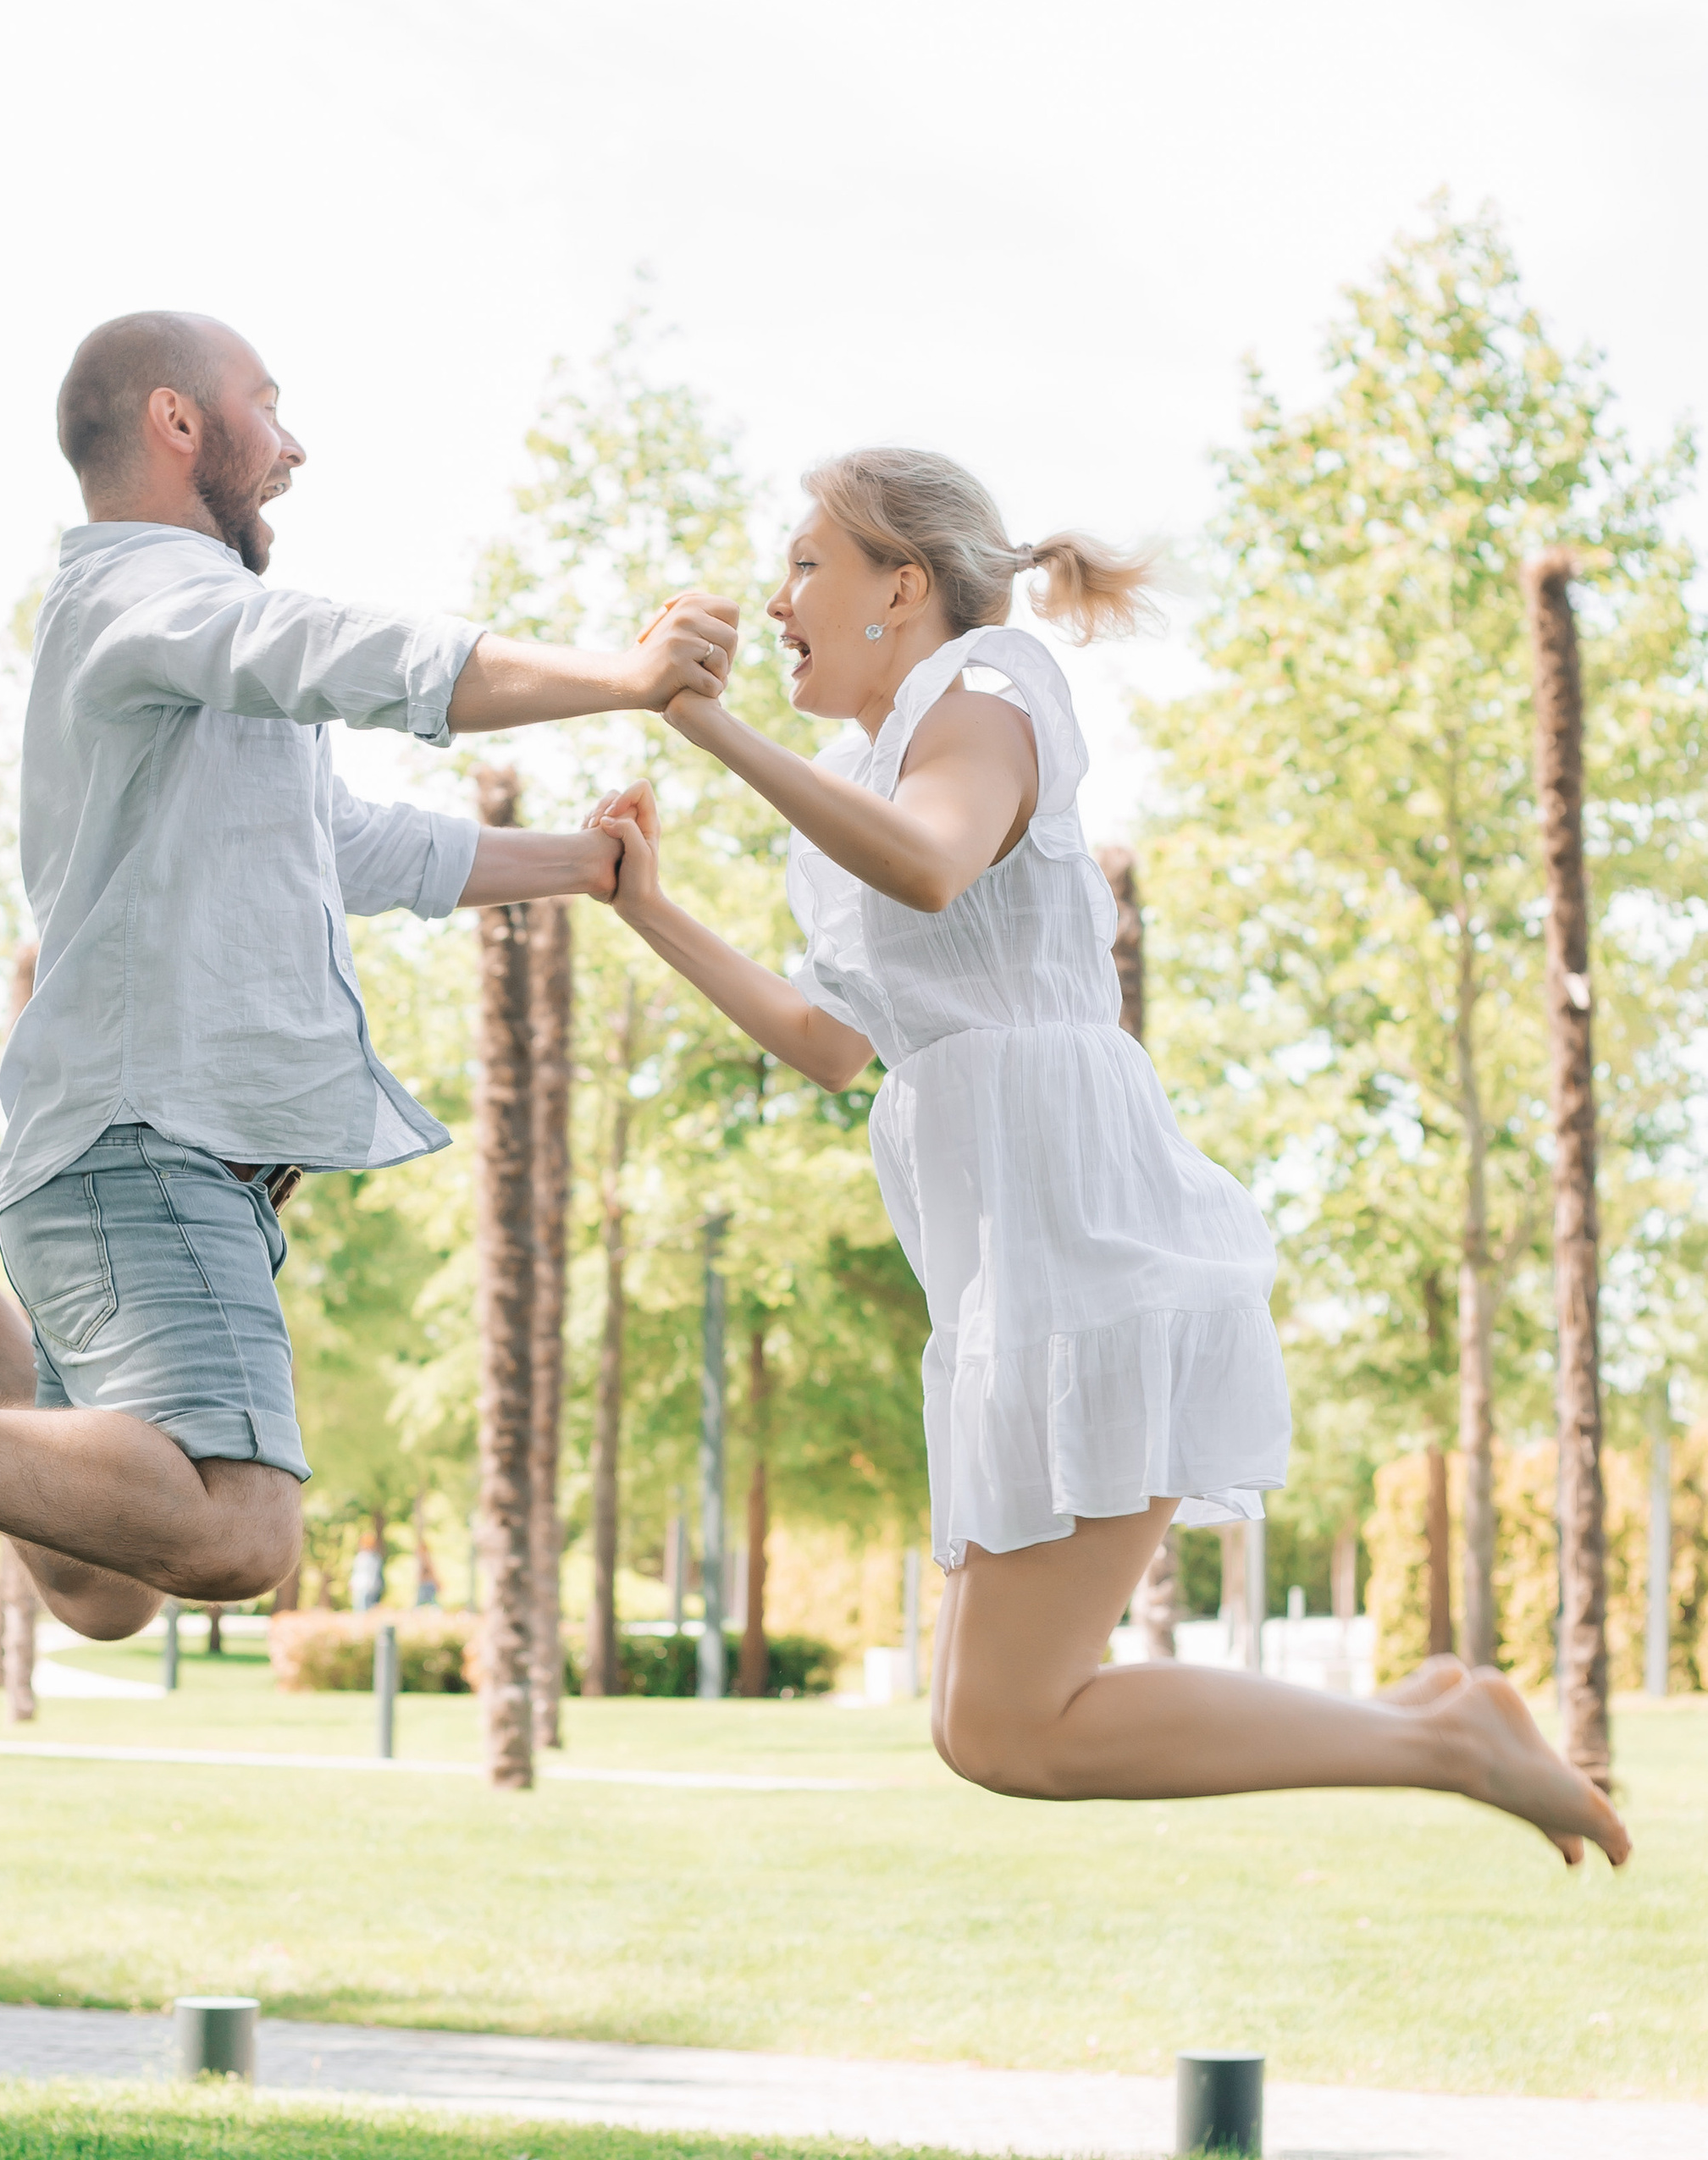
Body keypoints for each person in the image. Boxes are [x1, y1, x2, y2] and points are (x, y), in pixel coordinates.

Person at [0, 312, 738, 1638]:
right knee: (239, 1522)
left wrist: (585, 865)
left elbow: (342, 842)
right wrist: (618, 676)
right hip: (149, 1141)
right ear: (177, 422)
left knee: (101, 1585)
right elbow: (348, 656)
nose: (296, 447)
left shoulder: (170, 644)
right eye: (269, 405)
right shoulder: (149, 599)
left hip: (114, 1151)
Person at [591, 445, 1629, 1869]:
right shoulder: (855, 778)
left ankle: (1442, 1739)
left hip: (1081, 1234)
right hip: (1004, 1269)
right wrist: (651, 910)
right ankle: (1437, 1725)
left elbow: (936, 860)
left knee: (1016, 1725)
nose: (777, 600)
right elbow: (839, 1045)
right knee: (984, 1730)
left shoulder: (991, 689)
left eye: (804, 565)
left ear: (903, 586)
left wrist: (705, 730)